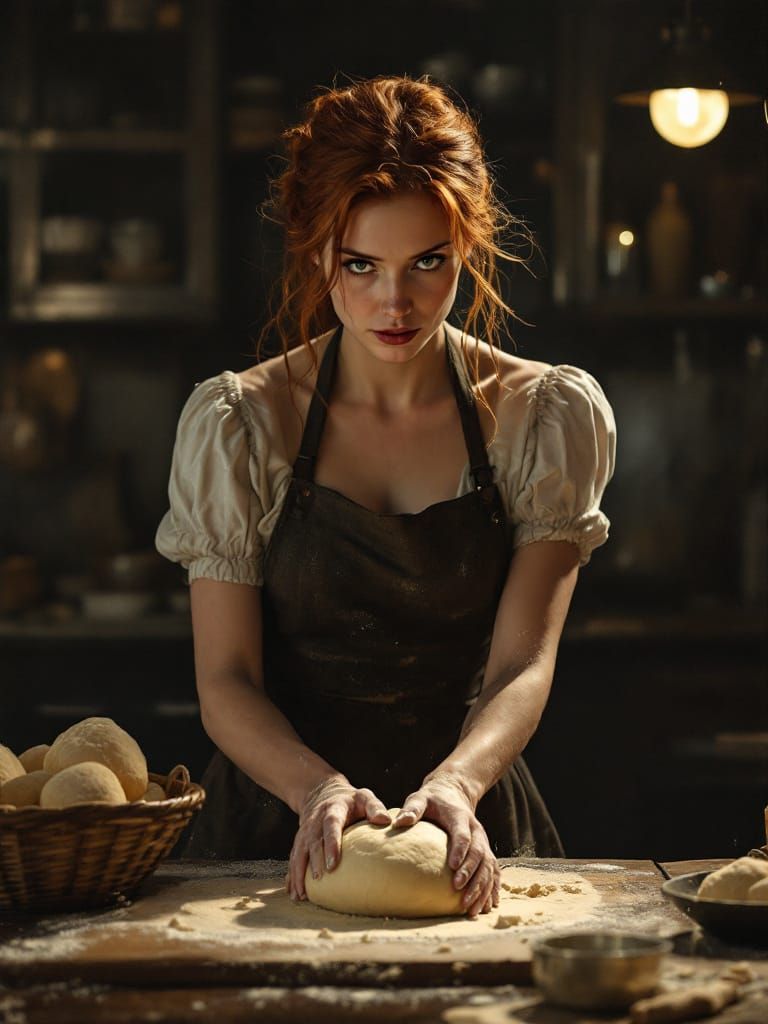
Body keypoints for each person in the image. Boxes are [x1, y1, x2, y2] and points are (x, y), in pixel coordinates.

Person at [155, 76, 616, 919]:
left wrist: (459, 782)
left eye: (427, 263)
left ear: (467, 245)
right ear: (314, 251)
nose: (393, 303)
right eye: (359, 265)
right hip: (273, 827)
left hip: (469, 821)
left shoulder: (537, 416)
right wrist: (316, 791)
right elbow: (225, 679)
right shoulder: (242, 423)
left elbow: (522, 664)